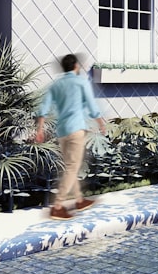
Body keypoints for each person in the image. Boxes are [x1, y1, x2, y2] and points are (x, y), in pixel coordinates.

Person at [34, 53, 106, 220]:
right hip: (76, 130)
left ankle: (79, 200)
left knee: (69, 167)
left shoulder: (56, 85)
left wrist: (40, 129)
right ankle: (58, 206)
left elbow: (43, 108)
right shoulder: (81, 82)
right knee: (72, 168)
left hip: (62, 131)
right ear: (76, 66)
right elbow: (91, 104)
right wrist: (101, 122)